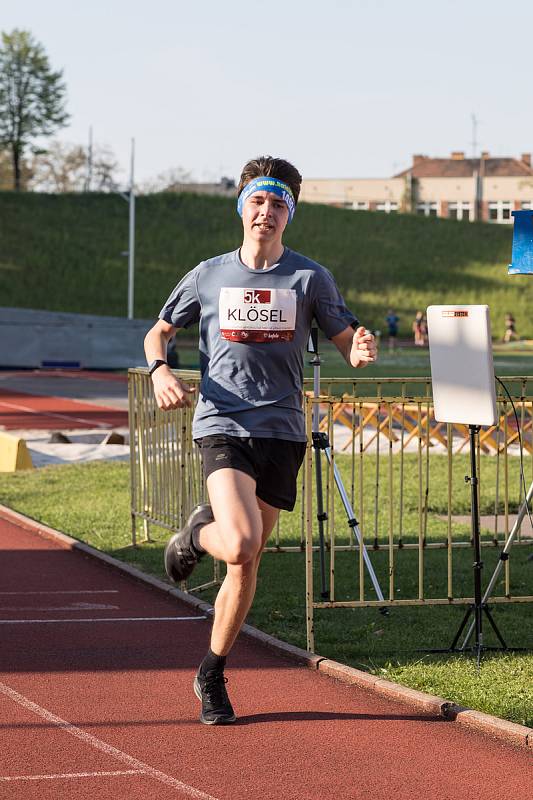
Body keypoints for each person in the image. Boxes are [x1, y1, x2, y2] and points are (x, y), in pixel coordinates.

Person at [143, 156, 377, 726]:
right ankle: (200, 532)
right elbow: (160, 330)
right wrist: (160, 371)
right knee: (242, 542)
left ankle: (212, 673)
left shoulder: (309, 279)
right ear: (242, 208)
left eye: (277, 204)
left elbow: (346, 338)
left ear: (288, 215)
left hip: (282, 431)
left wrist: (361, 348)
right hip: (222, 422)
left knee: (247, 564)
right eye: (257, 201)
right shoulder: (209, 274)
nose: (265, 212)